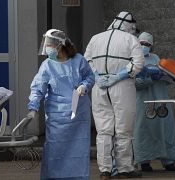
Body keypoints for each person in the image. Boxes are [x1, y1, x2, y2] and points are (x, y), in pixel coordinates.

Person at [27, 29, 95, 180]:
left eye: (49, 45)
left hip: (79, 116)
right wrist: (33, 107)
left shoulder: (79, 60)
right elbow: (38, 88)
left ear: (60, 45)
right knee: (54, 151)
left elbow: (90, 76)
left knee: (78, 151)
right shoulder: (47, 65)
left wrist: (84, 86)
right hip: (57, 118)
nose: (47, 48)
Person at [84, 11, 144, 179]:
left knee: (103, 131)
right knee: (123, 129)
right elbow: (138, 63)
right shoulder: (130, 39)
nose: (133, 29)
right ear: (128, 24)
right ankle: (125, 169)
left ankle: (105, 170)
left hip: (99, 88)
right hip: (122, 87)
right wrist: (120, 75)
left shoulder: (96, 38)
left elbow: (86, 61)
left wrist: (96, 75)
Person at [132, 32, 175, 172]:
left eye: (147, 44)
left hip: (160, 100)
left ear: (152, 46)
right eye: (141, 43)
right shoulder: (133, 60)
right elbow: (134, 83)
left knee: (165, 129)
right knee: (143, 131)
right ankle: (144, 161)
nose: (144, 46)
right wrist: (149, 78)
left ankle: (169, 161)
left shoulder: (156, 58)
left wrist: (165, 75)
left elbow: (168, 78)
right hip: (143, 102)